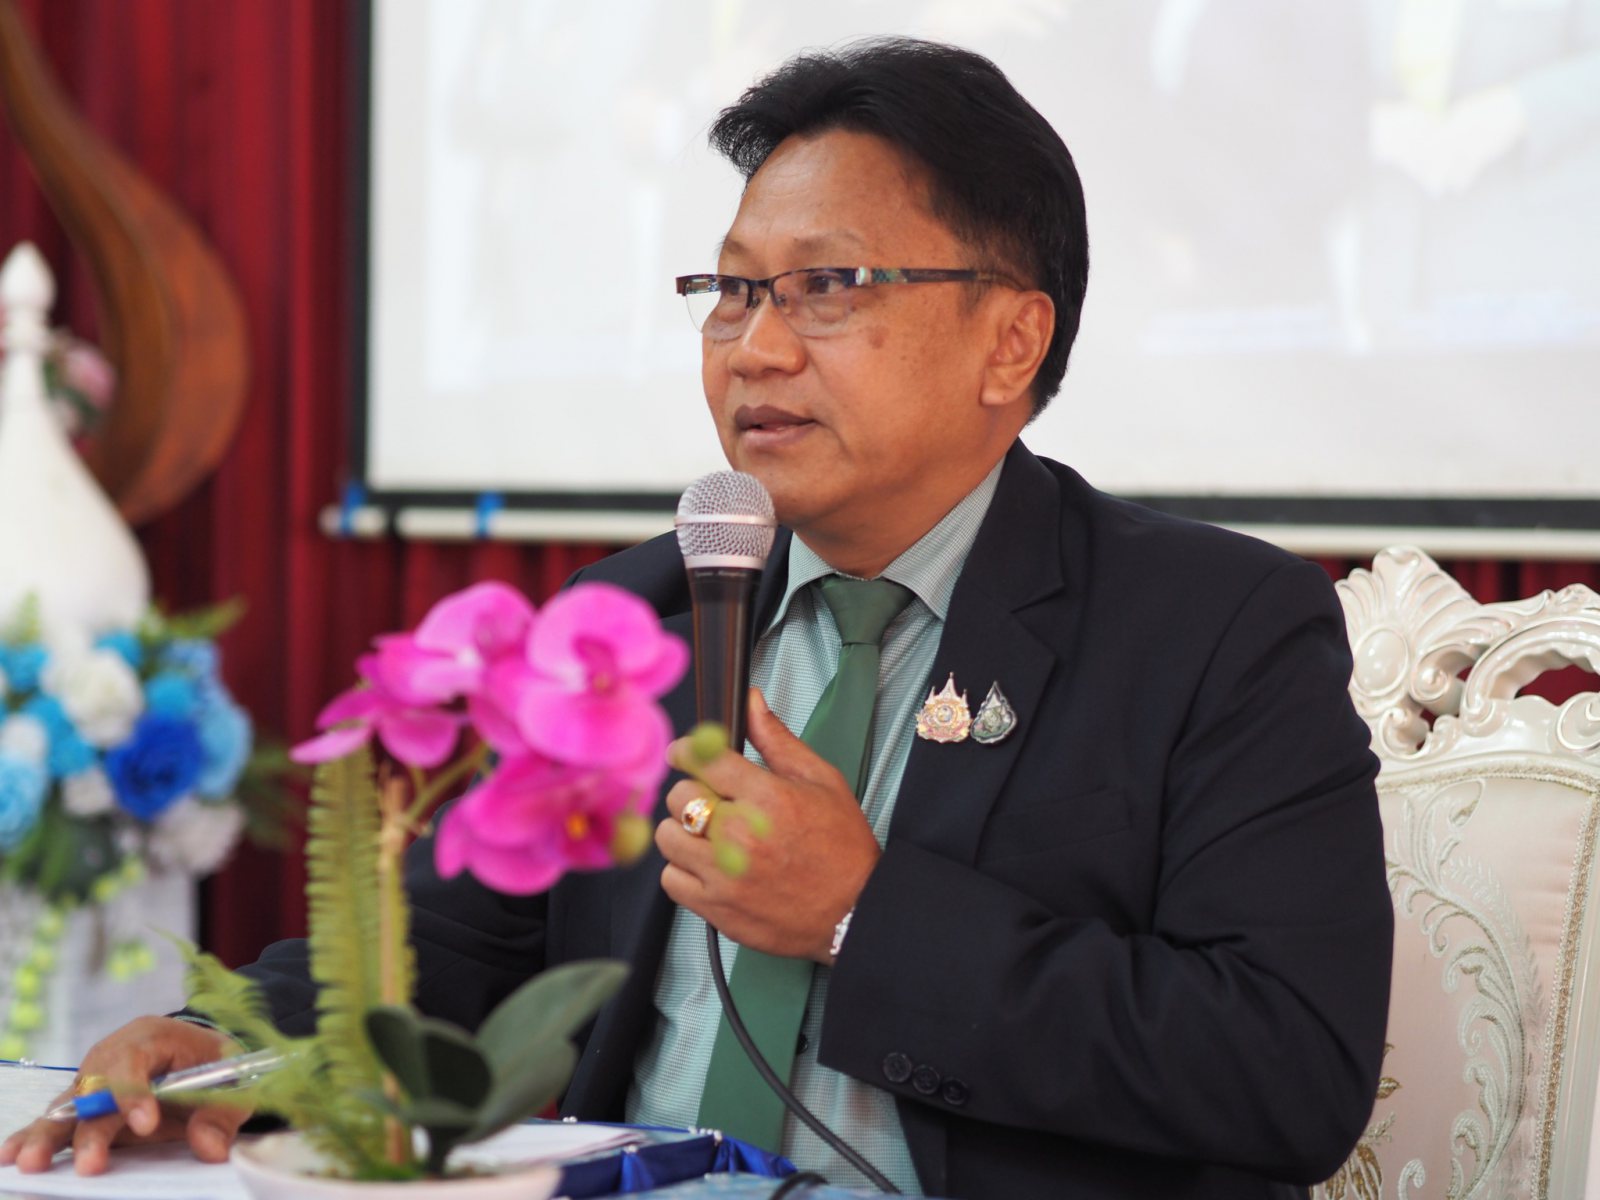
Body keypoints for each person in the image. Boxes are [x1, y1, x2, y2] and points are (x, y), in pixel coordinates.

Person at [0, 37, 1392, 1199]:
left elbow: (1285, 1072)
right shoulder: (643, 614)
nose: (756, 348)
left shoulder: (1213, 628)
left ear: (1009, 341)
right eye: (732, 292)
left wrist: (861, 916)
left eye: (829, 287)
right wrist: (228, 1042)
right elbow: (464, 947)